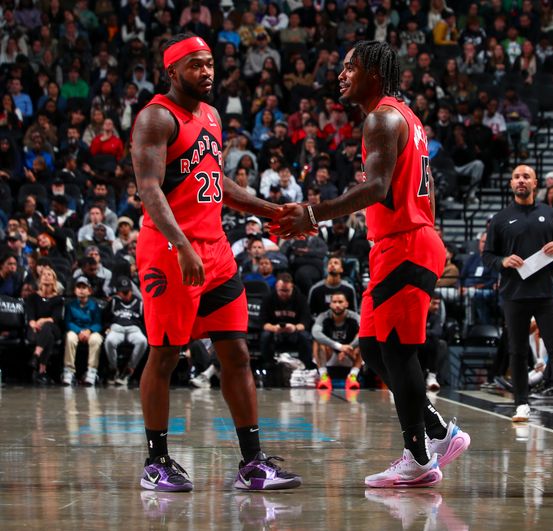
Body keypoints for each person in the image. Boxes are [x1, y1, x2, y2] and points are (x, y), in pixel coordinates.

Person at [272, 41, 470, 488]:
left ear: (374, 75)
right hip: (404, 241)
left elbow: (378, 188)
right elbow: (428, 187)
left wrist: (314, 212)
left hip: (406, 243)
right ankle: (440, 431)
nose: (341, 75)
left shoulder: (381, 118)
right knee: (375, 347)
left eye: (350, 68)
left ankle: (418, 458)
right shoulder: (407, 118)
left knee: (397, 351)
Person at [130, 34, 301, 493]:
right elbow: (149, 189)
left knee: (238, 353)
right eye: (196, 65)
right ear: (173, 71)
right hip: (170, 250)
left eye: (210, 64)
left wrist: (272, 211)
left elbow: (215, 180)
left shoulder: (210, 116)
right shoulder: (155, 118)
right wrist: (183, 245)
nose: (207, 72)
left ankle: (252, 463)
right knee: (165, 355)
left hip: (216, 250)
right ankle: (156, 461)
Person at [482, 164, 553, 424]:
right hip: (514, 294)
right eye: (516, 176)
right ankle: (521, 404)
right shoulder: (500, 218)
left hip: (545, 292)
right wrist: (503, 261)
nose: (521, 180)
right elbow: (488, 256)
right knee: (517, 351)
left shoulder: (550, 214)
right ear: (511, 184)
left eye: (526, 176)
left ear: (535, 183)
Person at [312, 291, 362, 390]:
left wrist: (349, 347)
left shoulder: (355, 317)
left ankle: (352, 376)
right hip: (329, 354)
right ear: (330, 304)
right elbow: (315, 333)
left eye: (340, 302)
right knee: (317, 341)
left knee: (363, 339)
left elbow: (364, 333)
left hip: (350, 353)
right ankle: (324, 376)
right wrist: (339, 347)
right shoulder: (323, 317)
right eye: (334, 302)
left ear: (346, 304)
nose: (337, 305)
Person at [104, 276, 147, 387]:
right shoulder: (113, 301)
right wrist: (107, 327)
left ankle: (129, 369)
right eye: (123, 292)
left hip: (134, 329)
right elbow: (104, 318)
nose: (126, 294)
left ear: (131, 290)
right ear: (118, 292)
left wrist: (141, 330)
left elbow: (145, 321)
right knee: (109, 341)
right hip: (117, 328)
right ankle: (114, 369)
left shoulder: (140, 303)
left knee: (142, 341)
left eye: (127, 291)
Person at [24, 266, 63, 385]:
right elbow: (30, 316)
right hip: (35, 329)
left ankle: (36, 355)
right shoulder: (32, 297)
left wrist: (42, 320)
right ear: (40, 280)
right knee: (48, 337)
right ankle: (42, 371)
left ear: (54, 280)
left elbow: (55, 318)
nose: (46, 276)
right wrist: (34, 324)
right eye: (44, 274)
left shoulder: (58, 299)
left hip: (53, 327)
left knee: (47, 327)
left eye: (49, 274)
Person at [62, 276, 104, 387]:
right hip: (76, 331)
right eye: (79, 287)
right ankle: (69, 371)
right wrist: (79, 331)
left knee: (96, 339)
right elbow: (68, 322)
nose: (81, 290)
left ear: (89, 291)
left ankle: (92, 371)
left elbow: (98, 323)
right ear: (75, 290)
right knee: (70, 337)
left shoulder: (94, 306)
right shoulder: (70, 305)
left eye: (84, 287)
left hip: (90, 332)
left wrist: (89, 331)